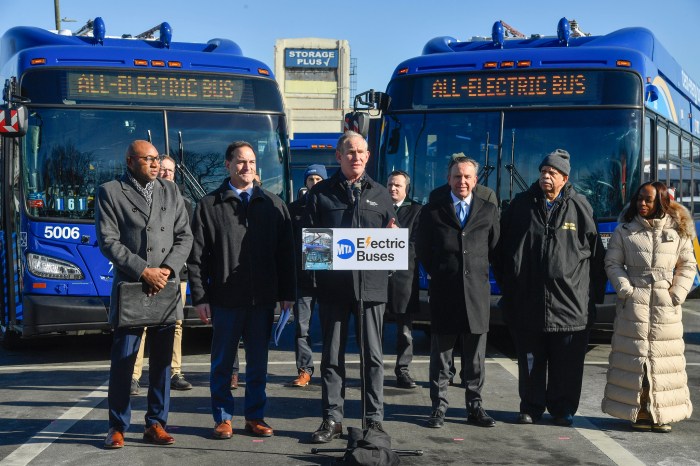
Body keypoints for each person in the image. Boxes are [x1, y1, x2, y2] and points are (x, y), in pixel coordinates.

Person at [188, 141, 296, 439]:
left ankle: (255, 417)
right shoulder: (209, 206)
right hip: (224, 299)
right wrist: (200, 297)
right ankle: (223, 418)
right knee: (222, 363)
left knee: (258, 363)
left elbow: (286, 255)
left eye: (251, 162)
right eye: (240, 162)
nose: (246, 167)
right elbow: (196, 257)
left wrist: (288, 293)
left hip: (262, 301)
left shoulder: (274, 204)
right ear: (227, 165)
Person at [494, 149, 605, 426]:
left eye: (552, 173)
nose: (546, 176)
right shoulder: (520, 206)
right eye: (543, 171)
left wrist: (592, 298)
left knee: (566, 365)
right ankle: (530, 406)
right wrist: (511, 287)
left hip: (570, 305)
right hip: (528, 303)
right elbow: (500, 251)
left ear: (564, 178)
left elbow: (596, 257)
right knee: (531, 363)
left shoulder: (580, 207)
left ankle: (562, 408)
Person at [96, 140, 193, 449]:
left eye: (156, 159)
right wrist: (143, 270)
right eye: (147, 159)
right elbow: (108, 241)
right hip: (133, 286)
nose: (154, 164)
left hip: (165, 285)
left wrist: (167, 268)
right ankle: (117, 425)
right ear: (129, 162)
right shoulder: (110, 192)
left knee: (163, 363)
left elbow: (184, 235)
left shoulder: (171, 191)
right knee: (124, 360)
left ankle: (156, 423)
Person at [305, 131, 397, 443]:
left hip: (371, 290)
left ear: (368, 156)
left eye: (361, 152)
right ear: (338, 156)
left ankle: (374, 420)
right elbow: (312, 246)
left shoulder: (382, 195)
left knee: (373, 358)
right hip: (333, 289)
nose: (355, 157)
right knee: (332, 358)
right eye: (349, 152)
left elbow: (392, 240)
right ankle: (332, 419)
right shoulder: (321, 194)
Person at [602, 181, 695, 433]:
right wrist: (626, 290)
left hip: (666, 305)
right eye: (639, 199)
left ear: (661, 202)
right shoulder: (625, 230)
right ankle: (639, 411)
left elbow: (688, 266)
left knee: (664, 362)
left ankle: (661, 414)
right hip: (634, 302)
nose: (642, 204)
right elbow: (612, 262)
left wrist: (676, 294)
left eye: (648, 200)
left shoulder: (678, 230)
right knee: (635, 360)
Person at [416, 156, 499, 429]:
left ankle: (475, 407)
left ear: (475, 181)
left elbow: (494, 246)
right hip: (445, 293)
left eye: (466, 177)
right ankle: (438, 408)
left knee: (475, 358)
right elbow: (423, 249)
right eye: (456, 176)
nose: (461, 181)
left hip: (476, 293)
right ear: (448, 179)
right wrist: (441, 272)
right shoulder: (432, 211)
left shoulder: (488, 210)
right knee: (441, 357)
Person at [131, 156, 193, 395]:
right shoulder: (143, 199)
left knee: (175, 324)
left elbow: (186, 238)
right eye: (163, 169)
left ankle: (174, 371)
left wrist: (169, 269)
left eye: (171, 171)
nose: (166, 173)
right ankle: (133, 376)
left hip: (176, 274)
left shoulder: (184, 202)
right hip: (144, 274)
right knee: (141, 325)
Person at [286, 163, 327, 387]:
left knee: (332, 328)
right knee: (302, 328)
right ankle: (304, 370)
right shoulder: (293, 210)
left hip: (328, 278)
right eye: (311, 179)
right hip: (302, 279)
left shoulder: (332, 206)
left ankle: (331, 370)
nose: (314, 183)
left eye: (318, 179)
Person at [386, 170, 422, 389]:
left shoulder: (417, 211)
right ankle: (370, 371)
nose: (392, 188)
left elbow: (419, 245)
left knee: (404, 331)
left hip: (404, 279)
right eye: (390, 184)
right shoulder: (377, 207)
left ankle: (403, 370)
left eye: (397, 185)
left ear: (406, 189)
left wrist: (397, 236)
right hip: (377, 280)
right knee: (371, 329)